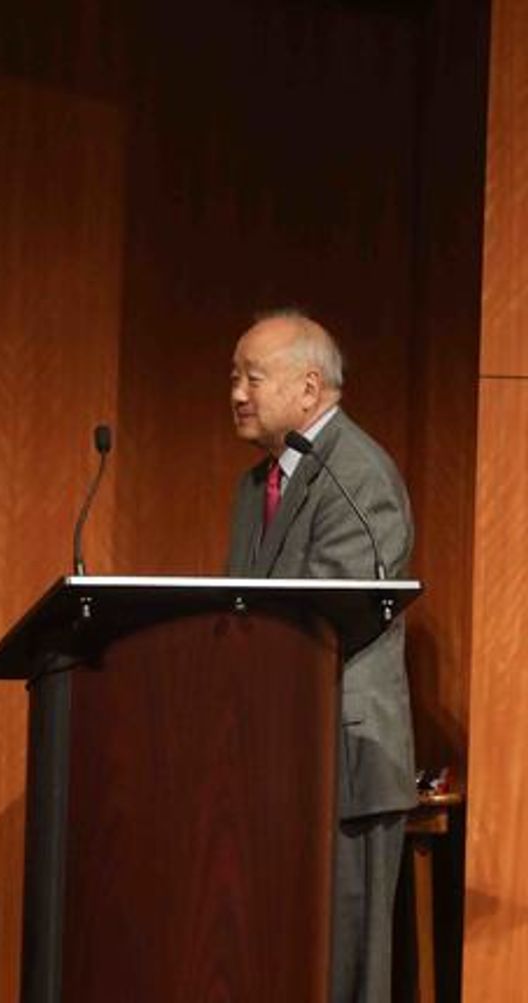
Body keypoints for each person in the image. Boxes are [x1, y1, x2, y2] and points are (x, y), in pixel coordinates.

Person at [226, 309, 415, 1003]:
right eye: (234, 376)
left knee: (345, 976)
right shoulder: (256, 488)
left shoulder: (357, 476)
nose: (238, 392)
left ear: (309, 389)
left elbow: (340, 611)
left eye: (253, 376)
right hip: (274, 762)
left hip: (344, 762)